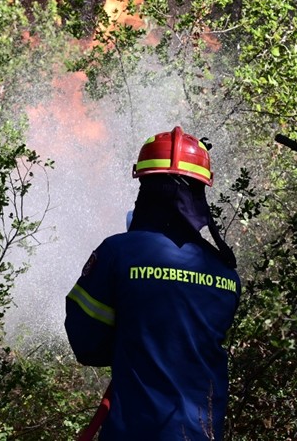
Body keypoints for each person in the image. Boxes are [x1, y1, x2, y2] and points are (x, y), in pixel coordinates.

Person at [65, 126, 240, 440]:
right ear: (200, 193)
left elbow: (87, 344)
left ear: (144, 184)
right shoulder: (226, 275)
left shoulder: (117, 253)